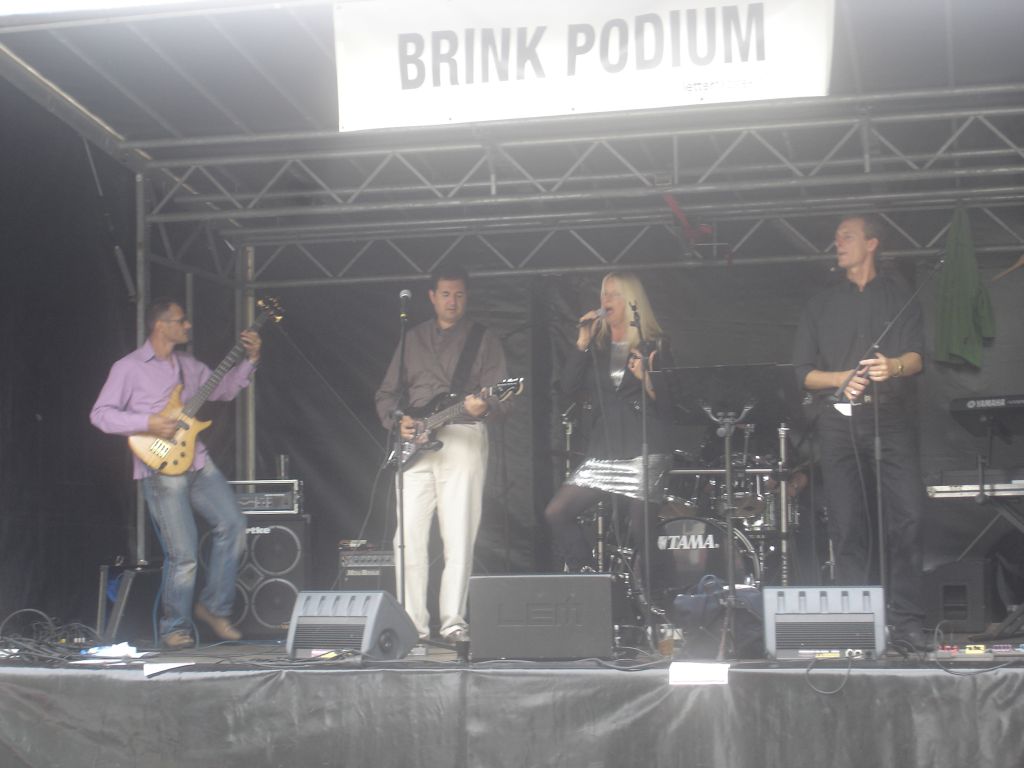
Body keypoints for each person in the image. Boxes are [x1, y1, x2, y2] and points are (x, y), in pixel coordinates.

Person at [792, 213, 930, 651]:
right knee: (848, 524)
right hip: (838, 422)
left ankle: (907, 622)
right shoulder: (820, 304)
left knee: (908, 517)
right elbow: (802, 374)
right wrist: (842, 377)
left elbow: (917, 357)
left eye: (847, 236)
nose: (838, 243)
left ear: (871, 244)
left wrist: (894, 366)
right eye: (836, 238)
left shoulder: (900, 296)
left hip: (890, 418)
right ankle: (857, 624)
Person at [91, 299, 261, 649]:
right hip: (160, 465)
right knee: (183, 553)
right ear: (161, 325)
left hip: (196, 459)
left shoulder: (188, 365)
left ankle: (214, 607)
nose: (187, 326)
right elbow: (101, 414)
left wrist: (251, 359)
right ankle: (174, 628)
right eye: (181, 321)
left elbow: (226, 389)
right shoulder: (129, 368)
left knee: (233, 524)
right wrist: (148, 422)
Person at [374, 267, 509, 644]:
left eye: (460, 295)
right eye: (446, 294)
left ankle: (453, 623)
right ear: (432, 297)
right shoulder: (412, 338)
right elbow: (386, 394)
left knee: (458, 534)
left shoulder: (483, 339)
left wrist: (486, 406)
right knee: (407, 538)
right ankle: (412, 625)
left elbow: (502, 398)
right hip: (416, 444)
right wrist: (397, 420)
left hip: (462, 435)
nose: (453, 301)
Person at [543, 271, 673, 579]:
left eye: (614, 294)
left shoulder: (654, 345)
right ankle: (591, 579)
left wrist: (647, 379)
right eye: (604, 294)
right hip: (604, 448)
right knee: (557, 512)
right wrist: (582, 342)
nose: (606, 300)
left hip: (643, 446)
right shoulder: (597, 346)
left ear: (631, 301)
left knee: (641, 527)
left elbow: (670, 406)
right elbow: (567, 389)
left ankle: (659, 596)